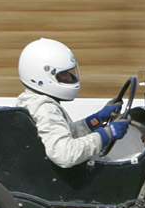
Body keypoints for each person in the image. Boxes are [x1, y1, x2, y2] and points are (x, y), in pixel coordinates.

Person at [16, 38, 129, 168]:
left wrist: (95, 120)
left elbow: (65, 135)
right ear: (41, 77)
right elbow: (65, 154)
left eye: (70, 73)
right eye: (64, 75)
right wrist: (107, 134)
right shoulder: (45, 109)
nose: (70, 78)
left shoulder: (31, 101)